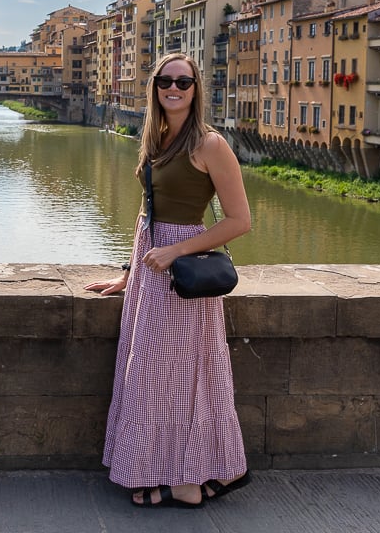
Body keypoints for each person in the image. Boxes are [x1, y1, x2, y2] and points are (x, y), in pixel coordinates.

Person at [84, 52, 252, 509]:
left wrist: (176, 250)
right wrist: (128, 274)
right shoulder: (157, 137)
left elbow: (239, 220)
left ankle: (186, 483)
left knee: (177, 376)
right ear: (154, 87)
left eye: (183, 81)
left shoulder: (210, 144)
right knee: (155, 375)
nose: (173, 88)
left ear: (196, 89)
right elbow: (147, 213)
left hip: (181, 271)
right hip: (151, 269)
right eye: (165, 81)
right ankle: (189, 473)